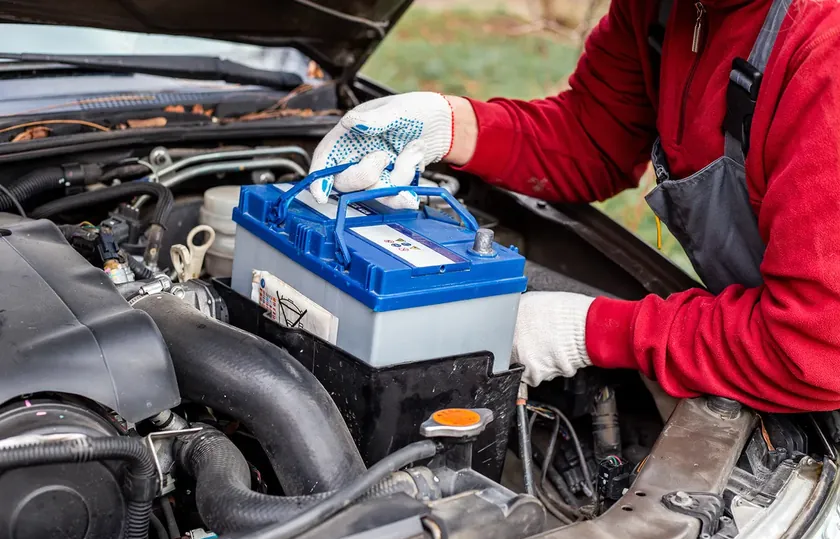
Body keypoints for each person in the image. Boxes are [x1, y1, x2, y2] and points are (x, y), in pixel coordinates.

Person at [308, 0, 840, 413]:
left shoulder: (823, 49)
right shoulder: (663, 9)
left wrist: (589, 330)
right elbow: (594, 136)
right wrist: (445, 124)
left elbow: (816, 348)